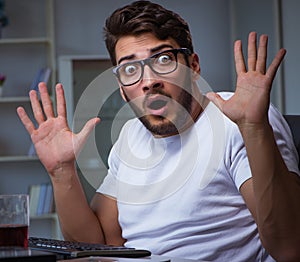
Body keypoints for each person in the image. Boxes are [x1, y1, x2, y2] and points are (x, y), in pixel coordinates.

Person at [17, 1, 300, 261]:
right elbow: (98, 243)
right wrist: (62, 171)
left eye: (163, 60)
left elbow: (289, 248)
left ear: (193, 66)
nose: (149, 81)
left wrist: (254, 128)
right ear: (122, 88)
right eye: (130, 68)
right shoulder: (130, 136)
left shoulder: (237, 120)